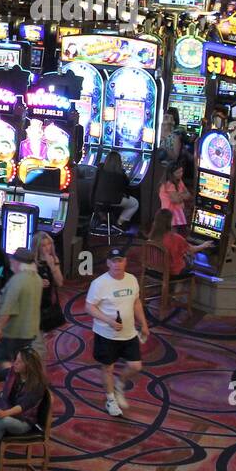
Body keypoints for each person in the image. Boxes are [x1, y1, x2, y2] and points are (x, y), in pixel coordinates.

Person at [85, 247, 149, 417]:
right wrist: (109, 321)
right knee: (107, 368)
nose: (117, 264)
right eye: (113, 261)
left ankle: (120, 384)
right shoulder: (99, 284)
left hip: (129, 333)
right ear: (108, 263)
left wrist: (143, 323)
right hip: (106, 334)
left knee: (135, 366)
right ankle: (110, 399)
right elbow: (89, 307)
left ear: (125, 262)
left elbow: (136, 303)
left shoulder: (132, 280)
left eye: (120, 260)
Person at [0, 348, 48, 471]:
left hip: (24, 422)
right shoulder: (12, 373)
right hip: (8, 413)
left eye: (19, 361)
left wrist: (5, 413)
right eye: (16, 360)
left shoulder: (37, 384)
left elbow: (22, 407)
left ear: (28, 366)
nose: (15, 363)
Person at [0, 247, 42, 380]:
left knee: (2, 357)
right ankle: (21, 380)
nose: (11, 263)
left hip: (14, 331)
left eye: (13, 261)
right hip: (30, 330)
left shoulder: (18, 280)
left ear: (18, 262)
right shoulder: (37, 278)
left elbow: (8, 308)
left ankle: (15, 381)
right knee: (21, 359)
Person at [148, 209, 213, 280]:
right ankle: (178, 288)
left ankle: (173, 288)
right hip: (172, 272)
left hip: (153, 269)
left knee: (182, 254)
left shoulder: (152, 236)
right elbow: (192, 250)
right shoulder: (175, 237)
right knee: (192, 257)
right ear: (169, 222)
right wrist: (204, 245)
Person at [33, 231, 65, 358]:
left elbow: (60, 282)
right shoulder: (32, 261)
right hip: (34, 302)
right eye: (43, 245)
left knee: (41, 336)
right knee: (36, 337)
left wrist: (52, 266)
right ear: (37, 247)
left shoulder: (54, 259)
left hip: (48, 301)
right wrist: (38, 282)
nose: (47, 248)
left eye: (49, 244)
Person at [97, 151, 139, 230]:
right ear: (119, 162)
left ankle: (104, 219)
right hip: (115, 200)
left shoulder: (99, 171)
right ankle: (119, 223)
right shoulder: (121, 174)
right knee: (135, 203)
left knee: (104, 200)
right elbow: (126, 185)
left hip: (97, 199)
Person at [157, 162, 193, 229]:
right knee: (171, 232)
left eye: (181, 171)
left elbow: (189, 195)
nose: (181, 174)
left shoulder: (179, 181)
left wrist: (179, 195)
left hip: (178, 211)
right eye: (178, 173)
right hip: (169, 213)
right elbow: (175, 200)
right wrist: (182, 195)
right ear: (171, 174)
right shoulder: (169, 184)